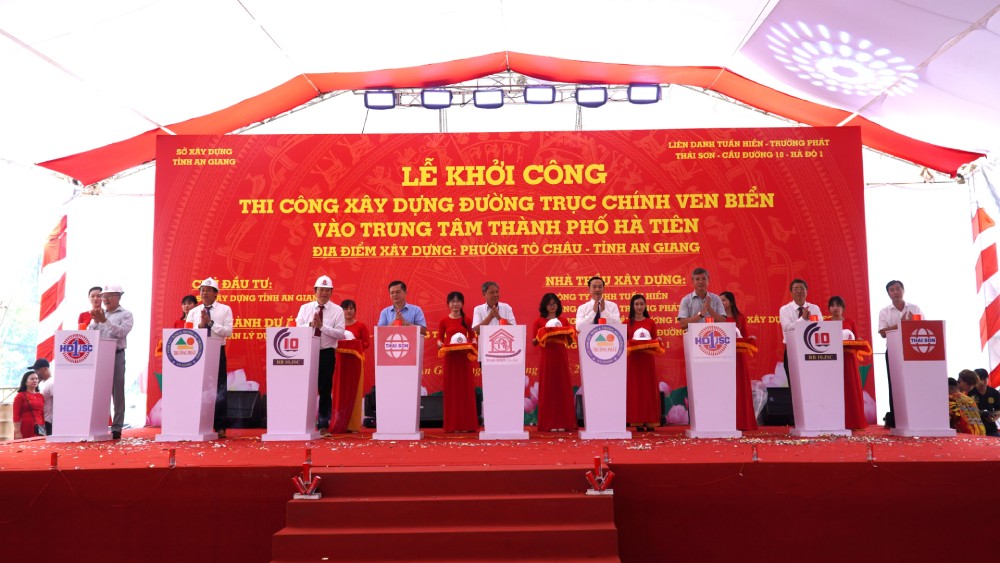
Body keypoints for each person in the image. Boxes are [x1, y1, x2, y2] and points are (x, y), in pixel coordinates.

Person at [295, 275, 346, 434]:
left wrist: (322, 327)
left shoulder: (337, 310)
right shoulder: (305, 308)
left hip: (326, 353)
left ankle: (323, 424)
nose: (323, 293)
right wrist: (311, 324)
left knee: (324, 388)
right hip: (307, 351)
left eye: (327, 290)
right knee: (305, 388)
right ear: (315, 291)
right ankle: (303, 423)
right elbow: (297, 328)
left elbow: (340, 334)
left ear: (331, 292)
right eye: (321, 290)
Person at [186, 278, 234, 438]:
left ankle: (220, 426)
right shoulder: (194, 312)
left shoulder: (225, 309)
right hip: (196, 353)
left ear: (215, 294)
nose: (204, 293)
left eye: (208, 290)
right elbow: (187, 332)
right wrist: (200, 326)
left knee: (219, 388)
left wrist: (211, 323)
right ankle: (197, 423)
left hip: (217, 351)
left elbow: (228, 332)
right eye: (202, 290)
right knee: (197, 387)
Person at [89, 284, 134, 440]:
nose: (105, 299)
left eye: (109, 296)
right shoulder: (100, 314)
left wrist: (104, 321)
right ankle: (98, 425)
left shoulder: (126, 314)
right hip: (99, 356)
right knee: (98, 391)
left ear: (119, 297)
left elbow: (121, 332)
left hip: (116, 355)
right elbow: (90, 334)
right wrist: (96, 322)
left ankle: (116, 428)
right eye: (104, 296)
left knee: (117, 392)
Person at [877, 280, 922, 428]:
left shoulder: (915, 308)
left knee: (915, 383)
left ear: (903, 290)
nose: (895, 292)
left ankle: (917, 415)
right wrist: (901, 324)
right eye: (892, 290)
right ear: (888, 293)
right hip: (894, 351)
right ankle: (897, 419)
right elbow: (883, 333)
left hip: (914, 351)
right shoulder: (884, 311)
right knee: (895, 385)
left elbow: (923, 326)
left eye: (898, 289)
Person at [531, 293, 577, 432]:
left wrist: (566, 333)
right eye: (549, 304)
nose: (552, 306)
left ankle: (564, 423)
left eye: (554, 303)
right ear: (544, 306)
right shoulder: (538, 322)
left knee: (562, 388)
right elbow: (534, 342)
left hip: (561, 357)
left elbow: (571, 340)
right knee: (549, 389)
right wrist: (543, 334)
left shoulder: (564, 321)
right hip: (547, 358)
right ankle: (549, 424)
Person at [437, 291, 477, 432]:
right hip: (450, 359)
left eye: (458, 301)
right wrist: (440, 344)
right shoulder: (444, 321)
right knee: (452, 390)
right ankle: (453, 425)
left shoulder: (468, 320)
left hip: (464, 359)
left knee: (465, 390)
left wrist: (473, 343)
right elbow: (439, 338)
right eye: (452, 301)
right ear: (448, 304)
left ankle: (467, 425)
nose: (455, 304)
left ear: (462, 303)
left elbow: (472, 336)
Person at [332, 299, 371, 433]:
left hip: (355, 363)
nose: (348, 311)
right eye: (345, 308)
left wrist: (355, 344)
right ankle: (338, 421)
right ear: (341, 311)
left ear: (355, 310)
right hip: (338, 363)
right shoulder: (336, 326)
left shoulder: (361, 326)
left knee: (354, 391)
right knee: (339, 391)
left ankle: (353, 424)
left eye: (351, 308)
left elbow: (366, 343)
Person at [828, 296, 866, 429]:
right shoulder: (825, 323)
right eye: (832, 305)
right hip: (831, 360)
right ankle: (833, 420)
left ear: (843, 308)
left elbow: (856, 340)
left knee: (850, 387)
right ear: (829, 309)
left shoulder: (850, 322)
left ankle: (854, 421)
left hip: (848, 358)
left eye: (838, 305)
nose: (835, 308)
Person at [721, 292, 757, 431]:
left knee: (739, 387)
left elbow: (745, 337)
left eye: (724, 300)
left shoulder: (740, 317)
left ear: (731, 302)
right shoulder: (717, 318)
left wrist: (750, 339)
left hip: (738, 356)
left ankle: (742, 422)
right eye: (719, 301)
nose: (721, 303)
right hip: (722, 357)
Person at [626, 294, 660, 431]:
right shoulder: (626, 323)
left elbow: (655, 339)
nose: (639, 307)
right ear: (632, 306)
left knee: (648, 389)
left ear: (645, 306)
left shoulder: (650, 322)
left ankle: (650, 421)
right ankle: (637, 420)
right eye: (636, 304)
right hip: (633, 360)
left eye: (641, 304)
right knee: (635, 390)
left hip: (647, 360)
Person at [779, 278, 822, 386]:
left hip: (812, 349)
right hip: (793, 349)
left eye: (802, 288)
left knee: (812, 381)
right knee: (794, 384)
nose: (799, 291)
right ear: (791, 292)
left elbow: (821, 327)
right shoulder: (785, 309)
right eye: (796, 289)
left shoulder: (814, 308)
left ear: (806, 291)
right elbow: (787, 328)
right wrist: (802, 319)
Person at [472, 281, 516, 362]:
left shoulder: (506, 308)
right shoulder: (478, 309)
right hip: (486, 354)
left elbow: (515, 330)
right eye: (492, 292)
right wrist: (490, 316)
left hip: (506, 354)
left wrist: (499, 318)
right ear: (484, 294)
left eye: (497, 292)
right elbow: (477, 330)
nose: (495, 294)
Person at [964, 368, 1000, 437]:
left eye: (984, 379)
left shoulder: (994, 393)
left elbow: (998, 409)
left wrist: (994, 418)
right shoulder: (969, 392)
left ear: (988, 378)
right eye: (980, 379)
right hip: (974, 429)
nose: (982, 382)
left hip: (991, 429)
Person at [13, 370, 45, 439]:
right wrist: (17, 431)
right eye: (32, 379)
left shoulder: (40, 396)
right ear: (25, 382)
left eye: (36, 378)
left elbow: (42, 414)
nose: (35, 381)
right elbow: (16, 415)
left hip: (39, 427)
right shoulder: (20, 396)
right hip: (25, 426)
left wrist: (43, 429)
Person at [31, 358, 54, 435]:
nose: (35, 372)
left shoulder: (52, 383)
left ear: (45, 369)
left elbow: (58, 403)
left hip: (49, 421)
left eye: (37, 370)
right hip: (41, 421)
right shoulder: (41, 383)